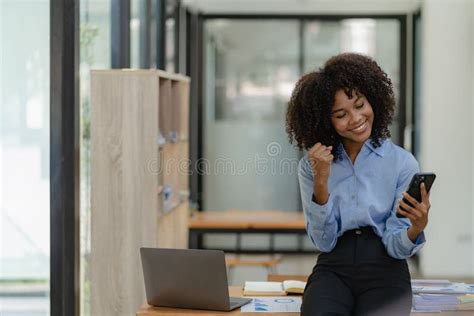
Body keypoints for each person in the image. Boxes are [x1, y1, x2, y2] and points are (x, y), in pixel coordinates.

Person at [285, 53, 431, 316]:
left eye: (360, 104)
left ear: (373, 100)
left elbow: (396, 246)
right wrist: (321, 178)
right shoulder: (312, 165)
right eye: (341, 114)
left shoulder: (402, 163)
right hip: (334, 266)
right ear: (325, 120)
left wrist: (415, 229)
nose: (355, 118)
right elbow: (323, 241)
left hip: (385, 266)